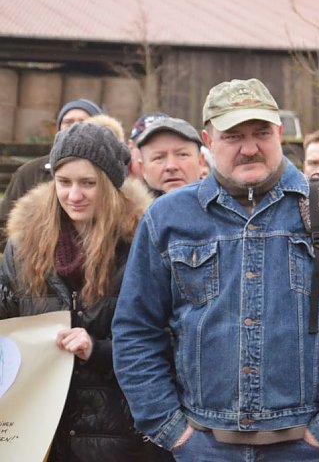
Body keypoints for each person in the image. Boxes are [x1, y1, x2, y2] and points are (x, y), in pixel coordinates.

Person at [112, 78, 319, 461]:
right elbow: (135, 329)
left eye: (261, 132)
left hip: (306, 449)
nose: (249, 148)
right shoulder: (168, 218)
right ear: (208, 143)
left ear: (279, 133)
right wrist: (173, 431)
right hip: (205, 446)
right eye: (232, 136)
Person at [0, 122, 155, 461]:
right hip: (39, 430)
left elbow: (163, 340)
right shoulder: (23, 246)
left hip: (118, 432)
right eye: (64, 182)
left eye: (88, 183)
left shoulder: (140, 244)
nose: (73, 195)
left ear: (112, 186)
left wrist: (96, 350)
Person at [0, 98, 103, 252]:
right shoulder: (30, 172)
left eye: (83, 121)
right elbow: (5, 223)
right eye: (68, 122)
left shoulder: (108, 172)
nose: (75, 127)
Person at [134, 117, 206, 196]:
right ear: (143, 168)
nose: (171, 166)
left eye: (182, 155)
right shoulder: (128, 207)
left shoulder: (220, 206)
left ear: (200, 162)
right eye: (159, 158)